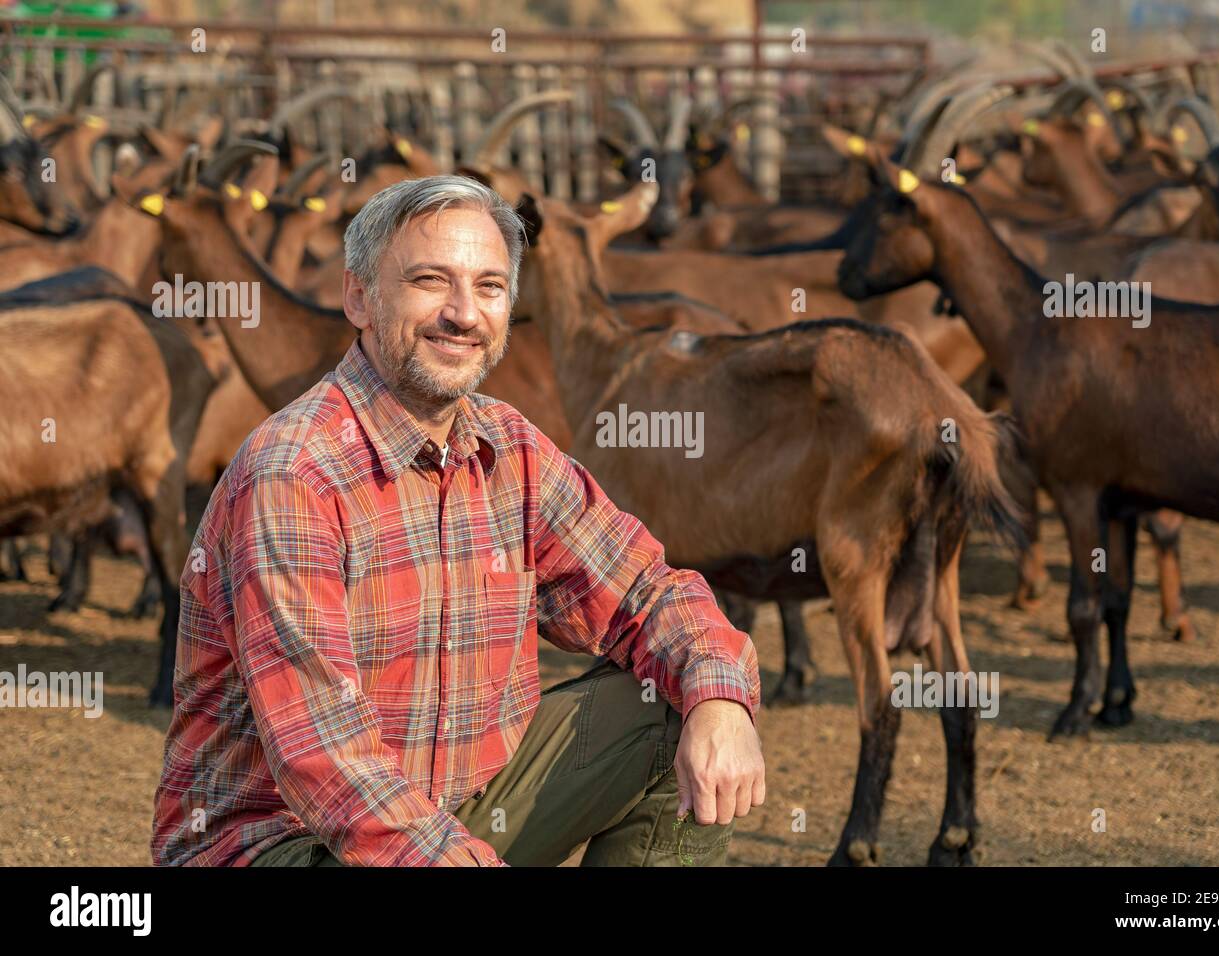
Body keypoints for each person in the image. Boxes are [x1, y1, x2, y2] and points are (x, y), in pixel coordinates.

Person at [151, 175, 764, 866]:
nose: (464, 313)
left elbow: (647, 590)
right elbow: (322, 755)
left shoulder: (512, 448)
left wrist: (719, 696)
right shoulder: (294, 475)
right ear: (359, 297)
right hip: (290, 841)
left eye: (490, 287)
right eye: (430, 281)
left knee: (678, 707)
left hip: (457, 810)